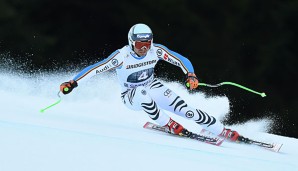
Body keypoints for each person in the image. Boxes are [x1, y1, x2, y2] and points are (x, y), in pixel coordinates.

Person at [60, 23, 240, 141]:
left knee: (186, 110)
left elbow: (180, 59)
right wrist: (73, 82)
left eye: (147, 43)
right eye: (140, 45)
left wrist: (190, 75)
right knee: (143, 94)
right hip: (131, 95)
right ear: (131, 43)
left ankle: (220, 129)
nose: (144, 48)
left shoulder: (156, 50)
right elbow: (96, 68)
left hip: (152, 86)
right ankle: (168, 124)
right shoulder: (121, 56)